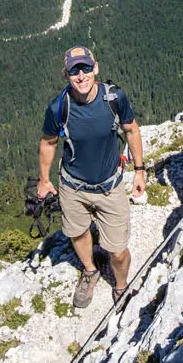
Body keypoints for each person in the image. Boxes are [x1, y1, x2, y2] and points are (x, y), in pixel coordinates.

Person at [38, 46, 146, 307]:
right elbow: (48, 142)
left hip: (110, 187)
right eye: (74, 70)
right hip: (73, 187)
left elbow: (131, 130)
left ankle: (120, 286)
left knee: (118, 251)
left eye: (85, 68)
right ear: (66, 74)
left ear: (95, 68)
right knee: (77, 233)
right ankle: (90, 269)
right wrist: (44, 180)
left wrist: (140, 171)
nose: (81, 75)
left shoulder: (113, 98)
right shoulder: (58, 108)